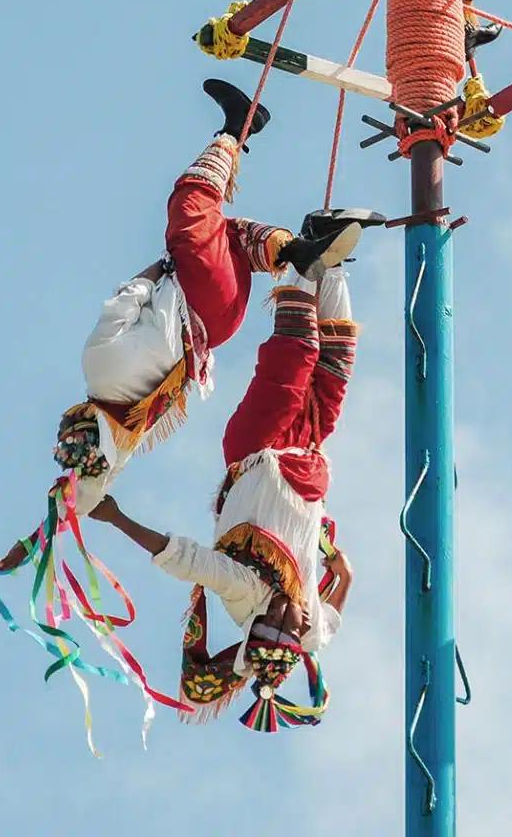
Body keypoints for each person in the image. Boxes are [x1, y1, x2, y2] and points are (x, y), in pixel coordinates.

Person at [0, 79, 382, 570]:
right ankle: (239, 131)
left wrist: (20, 554)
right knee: (190, 207)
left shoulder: (128, 432)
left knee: (227, 234)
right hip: (202, 302)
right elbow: (126, 297)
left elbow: (67, 505)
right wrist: (163, 265)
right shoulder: (102, 373)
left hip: (217, 318)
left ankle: (304, 251)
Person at [89, 260, 362, 729]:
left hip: (256, 450)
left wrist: (116, 517)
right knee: (330, 379)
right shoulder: (311, 631)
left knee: (292, 366)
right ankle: (333, 267)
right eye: (291, 622)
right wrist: (338, 564)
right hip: (304, 464)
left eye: (273, 618)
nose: (287, 610)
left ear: (256, 625)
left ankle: (306, 263)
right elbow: (342, 587)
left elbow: (185, 559)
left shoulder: (245, 593)